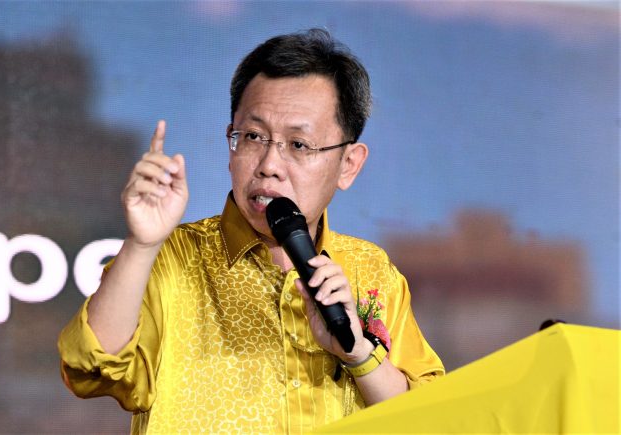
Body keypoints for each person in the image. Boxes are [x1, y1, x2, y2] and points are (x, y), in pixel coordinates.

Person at [58, 28, 444, 434]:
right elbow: (89, 367)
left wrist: (359, 354)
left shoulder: (370, 270)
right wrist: (141, 244)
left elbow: (431, 418)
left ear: (348, 164)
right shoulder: (174, 257)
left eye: (298, 145)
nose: (269, 165)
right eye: (254, 137)